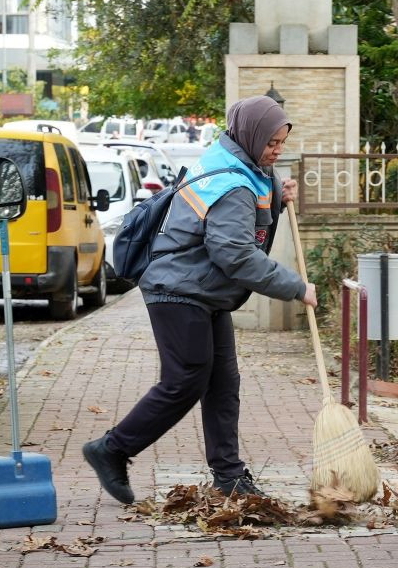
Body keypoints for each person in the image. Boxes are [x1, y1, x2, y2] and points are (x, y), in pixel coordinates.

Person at [82, 95, 317, 504]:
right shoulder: (234, 182)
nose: (277, 151)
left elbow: (244, 203)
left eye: (281, 143)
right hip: (177, 289)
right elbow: (236, 254)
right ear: (251, 135)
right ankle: (112, 449)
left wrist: (277, 191)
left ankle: (228, 475)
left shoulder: (233, 158)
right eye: (272, 143)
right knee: (186, 379)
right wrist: (295, 286)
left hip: (203, 290)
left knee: (224, 383)